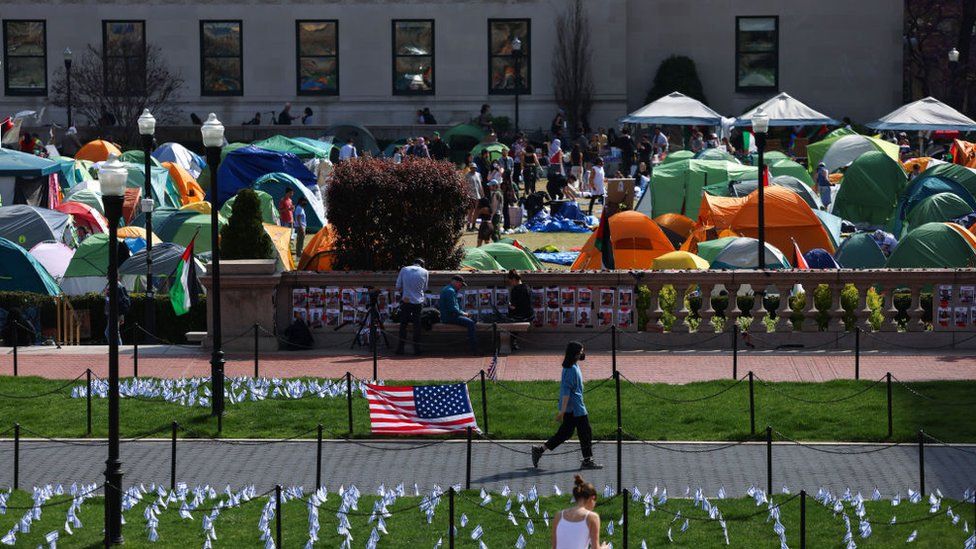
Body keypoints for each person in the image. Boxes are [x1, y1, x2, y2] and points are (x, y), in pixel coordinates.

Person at [531, 341, 602, 470]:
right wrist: (562, 412)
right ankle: (587, 460)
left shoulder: (573, 366)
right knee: (585, 432)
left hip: (575, 406)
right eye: (581, 352)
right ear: (575, 354)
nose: (582, 353)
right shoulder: (570, 370)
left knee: (565, 433)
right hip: (576, 408)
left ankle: (540, 450)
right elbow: (565, 392)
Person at [551, 475, 609, 549]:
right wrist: (604, 547)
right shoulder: (592, 517)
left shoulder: (558, 516)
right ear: (592, 498)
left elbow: (554, 547)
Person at [395, 259, 428, 355]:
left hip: (406, 300)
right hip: (418, 302)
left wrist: (405, 293)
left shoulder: (404, 269)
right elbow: (425, 288)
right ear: (422, 265)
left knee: (403, 324)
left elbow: (398, 286)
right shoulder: (425, 272)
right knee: (417, 325)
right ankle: (417, 349)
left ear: (413, 262)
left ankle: (400, 348)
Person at [439, 275, 477, 354]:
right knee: (471, 323)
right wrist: (464, 314)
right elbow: (453, 309)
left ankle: (473, 346)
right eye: (460, 284)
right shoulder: (450, 291)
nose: (461, 287)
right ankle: (474, 349)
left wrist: (463, 314)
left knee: (472, 320)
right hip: (449, 317)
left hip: (450, 315)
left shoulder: (449, 289)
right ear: (455, 282)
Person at [464, 164, 484, 230]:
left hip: (478, 195)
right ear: (470, 168)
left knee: (477, 211)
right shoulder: (467, 175)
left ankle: (473, 225)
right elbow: (465, 185)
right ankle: (468, 226)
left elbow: (480, 185)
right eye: (472, 167)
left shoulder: (478, 175)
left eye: (474, 168)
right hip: (470, 195)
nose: (473, 169)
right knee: (470, 211)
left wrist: (482, 194)